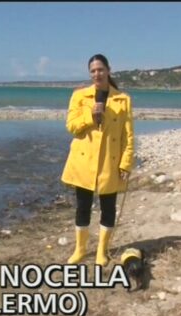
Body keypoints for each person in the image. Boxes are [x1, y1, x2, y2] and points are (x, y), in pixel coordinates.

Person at [61, 54, 134, 266]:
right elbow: (71, 126)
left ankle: (102, 251)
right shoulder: (79, 97)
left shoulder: (122, 99)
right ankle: (80, 250)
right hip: (84, 161)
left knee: (108, 208)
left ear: (109, 70)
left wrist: (126, 163)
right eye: (93, 71)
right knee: (82, 207)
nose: (97, 74)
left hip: (110, 161)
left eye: (100, 70)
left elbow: (127, 135)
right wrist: (90, 116)